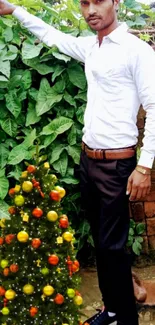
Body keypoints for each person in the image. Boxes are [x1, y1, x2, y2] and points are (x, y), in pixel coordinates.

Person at [0, 0, 155, 324]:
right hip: (89, 160)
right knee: (102, 243)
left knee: (113, 247)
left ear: (115, 2)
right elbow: (53, 36)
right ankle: (111, 310)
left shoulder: (136, 50)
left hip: (118, 164)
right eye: (84, 3)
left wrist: (144, 166)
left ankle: (125, 317)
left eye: (97, 1)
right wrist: (15, 10)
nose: (90, 10)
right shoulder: (92, 48)